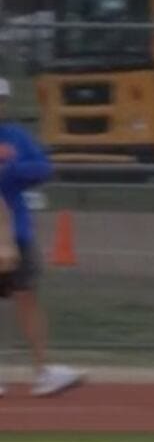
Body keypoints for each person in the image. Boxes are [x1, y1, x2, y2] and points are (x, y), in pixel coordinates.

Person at [0, 77, 83, 397]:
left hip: (17, 230)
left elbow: (42, 168)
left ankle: (42, 371)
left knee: (27, 297)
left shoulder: (16, 137)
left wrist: (12, 169)